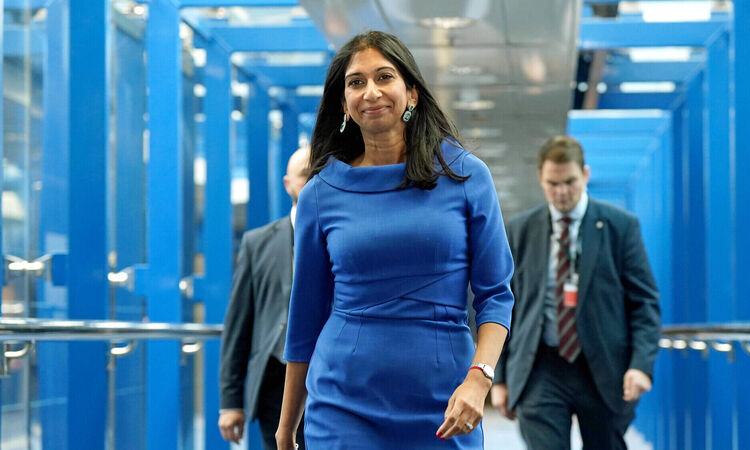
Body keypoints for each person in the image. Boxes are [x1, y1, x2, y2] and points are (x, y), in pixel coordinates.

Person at [275, 30, 514, 450]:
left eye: (384, 77)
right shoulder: (320, 193)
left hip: (444, 402)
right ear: (344, 103)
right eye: (356, 82)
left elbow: (496, 294)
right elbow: (305, 317)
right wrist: (286, 426)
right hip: (341, 403)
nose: (371, 91)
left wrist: (480, 378)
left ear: (412, 93)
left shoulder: (465, 175)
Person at [490, 136, 661, 449]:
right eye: (552, 184)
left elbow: (644, 303)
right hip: (540, 367)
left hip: (603, 369)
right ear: (540, 179)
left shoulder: (620, 227)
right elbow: (504, 306)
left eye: (569, 182)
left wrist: (640, 366)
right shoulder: (521, 230)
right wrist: (498, 377)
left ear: (585, 174)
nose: (562, 192)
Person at [218, 147, 310, 449]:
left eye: (319, 174)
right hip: (274, 383)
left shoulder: (344, 239)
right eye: (305, 175)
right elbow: (238, 326)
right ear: (288, 184)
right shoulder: (257, 243)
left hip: (331, 380)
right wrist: (230, 402)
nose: (312, 182)